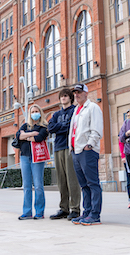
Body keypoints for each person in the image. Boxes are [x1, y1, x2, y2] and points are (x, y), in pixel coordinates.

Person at [69, 83, 104, 226]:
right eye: (75, 93)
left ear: (86, 93)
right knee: (83, 184)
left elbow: (96, 128)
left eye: (79, 92)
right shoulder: (76, 110)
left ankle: (95, 214)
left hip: (87, 151)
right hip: (76, 151)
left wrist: (89, 145)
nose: (76, 95)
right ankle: (87, 211)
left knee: (92, 183)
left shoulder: (93, 108)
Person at [47, 89, 81, 220]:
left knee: (72, 179)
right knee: (61, 180)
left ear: (71, 98)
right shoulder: (56, 114)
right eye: (61, 96)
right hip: (57, 148)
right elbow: (51, 128)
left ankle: (75, 208)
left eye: (66, 96)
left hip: (69, 147)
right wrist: (63, 126)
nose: (63, 98)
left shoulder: (74, 111)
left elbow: (72, 127)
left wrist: (59, 127)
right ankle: (64, 208)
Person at [16, 104, 49, 220]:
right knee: (26, 186)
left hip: (37, 158)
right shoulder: (25, 126)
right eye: (32, 111)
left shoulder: (43, 127)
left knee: (38, 185)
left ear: (40, 113)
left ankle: (39, 211)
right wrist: (31, 134)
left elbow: (40, 137)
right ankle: (27, 212)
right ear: (29, 114)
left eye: (36, 111)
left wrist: (26, 136)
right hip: (25, 157)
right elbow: (18, 136)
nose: (34, 113)